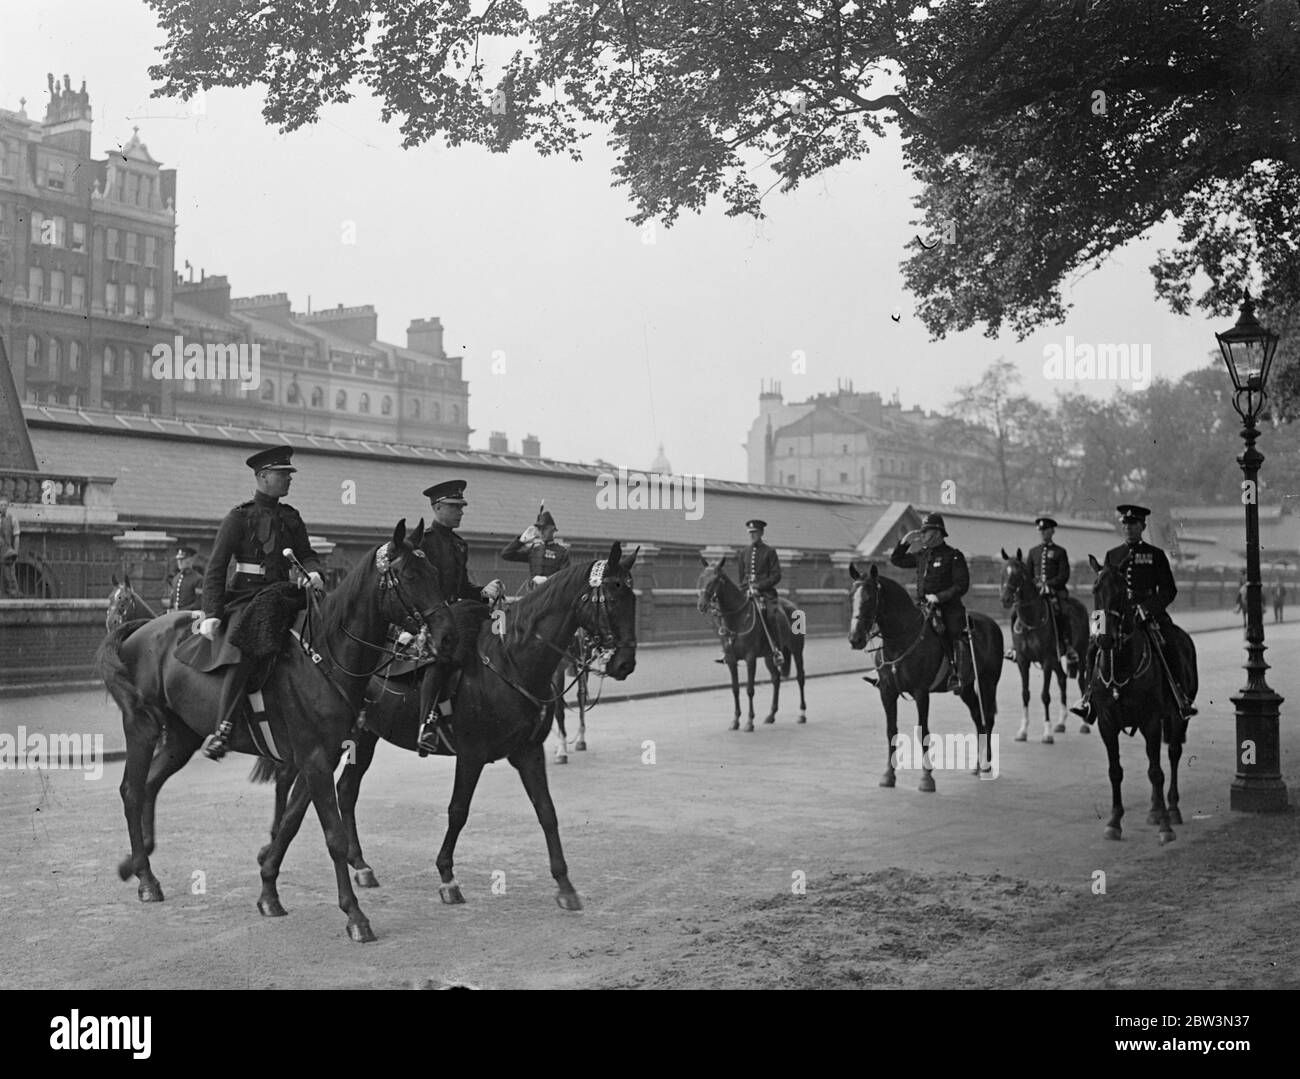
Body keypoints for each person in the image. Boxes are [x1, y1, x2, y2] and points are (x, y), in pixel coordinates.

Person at [196, 447, 324, 760]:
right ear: (263, 477)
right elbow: (215, 568)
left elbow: (306, 554)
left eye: (289, 474)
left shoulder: (291, 517)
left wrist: (315, 572)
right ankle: (223, 727)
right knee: (245, 650)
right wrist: (211, 613)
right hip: (247, 598)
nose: (288, 480)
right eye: (283, 474)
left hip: (284, 595)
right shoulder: (238, 518)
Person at [1071, 504, 1196, 721]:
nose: (1128, 529)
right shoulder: (1112, 555)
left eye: (1133, 524)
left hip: (1148, 615)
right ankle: (1088, 699)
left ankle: (1180, 697)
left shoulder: (1155, 555)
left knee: (1172, 643)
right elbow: (1105, 592)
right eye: (1125, 524)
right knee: (1092, 647)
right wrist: (1097, 623)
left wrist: (1147, 608)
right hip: (1113, 616)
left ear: (1142, 526)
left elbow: (1168, 590)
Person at [416, 480, 505, 753]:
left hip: (457, 612)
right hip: (432, 615)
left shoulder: (459, 545)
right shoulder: (423, 542)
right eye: (454, 507)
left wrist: (484, 591)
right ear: (438, 507)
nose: (461, 512)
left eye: (461, 506)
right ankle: (428, 720)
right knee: (444, 655)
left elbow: (463, 588)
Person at [890, 512, 971, 692]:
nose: (922, 535)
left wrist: (939, 597)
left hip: (947, 607)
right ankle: (894, 673)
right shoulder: (922, 555)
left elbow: (961, 585)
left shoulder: (953, 556)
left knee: (951, 631)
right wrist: (905, 542)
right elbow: (897, 560)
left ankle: (955, 673)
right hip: (923, 606)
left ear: (937, 533)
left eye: (925, 532)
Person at [1009, 515, 1078, 668]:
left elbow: (1064, 575)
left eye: (1045, 530)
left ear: (1052, 532)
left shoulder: (1060, 552)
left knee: (1062, 611)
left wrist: (1050, 584)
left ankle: (1067, 645)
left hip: (1054, 591)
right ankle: (1015, 647)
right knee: (1015, 612)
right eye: (1040, 531)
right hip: (1036, 593)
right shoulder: (1033, 552)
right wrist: (1035, 585)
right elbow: (1028, 574)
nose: (1042, 533)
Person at [716, 519, 785, 665]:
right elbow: (742, 578)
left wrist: (759, 586)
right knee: (730, 614)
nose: (752, 535)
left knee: (772, 616)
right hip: (747, 593)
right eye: (751, 533)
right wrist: (746, 589)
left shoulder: (770, 552)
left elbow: (776, 575)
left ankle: (776, 650)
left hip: (765, 594)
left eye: (755, 533)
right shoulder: (744, 553)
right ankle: (728, 650)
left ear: (761, 533)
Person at [500, 506, 570, 591]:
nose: (541, 532)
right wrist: (521, 541)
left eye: (545, 529)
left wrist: (547, 579)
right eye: (539, 529)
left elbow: (566, 576)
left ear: (552, 530)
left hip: (551, 595)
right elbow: (506, 554)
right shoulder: (534, 550)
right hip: (533, 595)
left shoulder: (561, 552)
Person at [162, 546, 203, 612]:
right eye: (178, 560)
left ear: (191, 560)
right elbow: (172, 600)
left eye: (183, 559)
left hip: (190, 616)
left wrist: (181, 610)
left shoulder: (198, 579)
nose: (180, 562)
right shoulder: (176, 578)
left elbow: (198, 603)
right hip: (176, 615)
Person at [0, 498, 20, 598]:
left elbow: (16, 537)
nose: (2, 507)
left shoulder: (13, 519)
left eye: (4, 505)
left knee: (10, 575)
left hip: (8, 551)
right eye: (1, 505)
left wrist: (15, 552)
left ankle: (13, 595)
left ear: (7, 506)